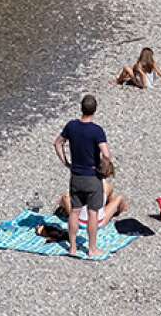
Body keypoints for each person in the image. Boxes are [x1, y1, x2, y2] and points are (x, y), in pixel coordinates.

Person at [54, 94, 113, 259]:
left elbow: (57, 143)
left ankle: (72, 247)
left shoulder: (71, 126)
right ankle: (92, 248)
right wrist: (104, 167)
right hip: (92, 177)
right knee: (93, 213)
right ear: (95, 110)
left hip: (76, 176)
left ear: (81, 108)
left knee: (74, 212)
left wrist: (66, 162)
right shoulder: (97, 130)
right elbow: (106, 154)